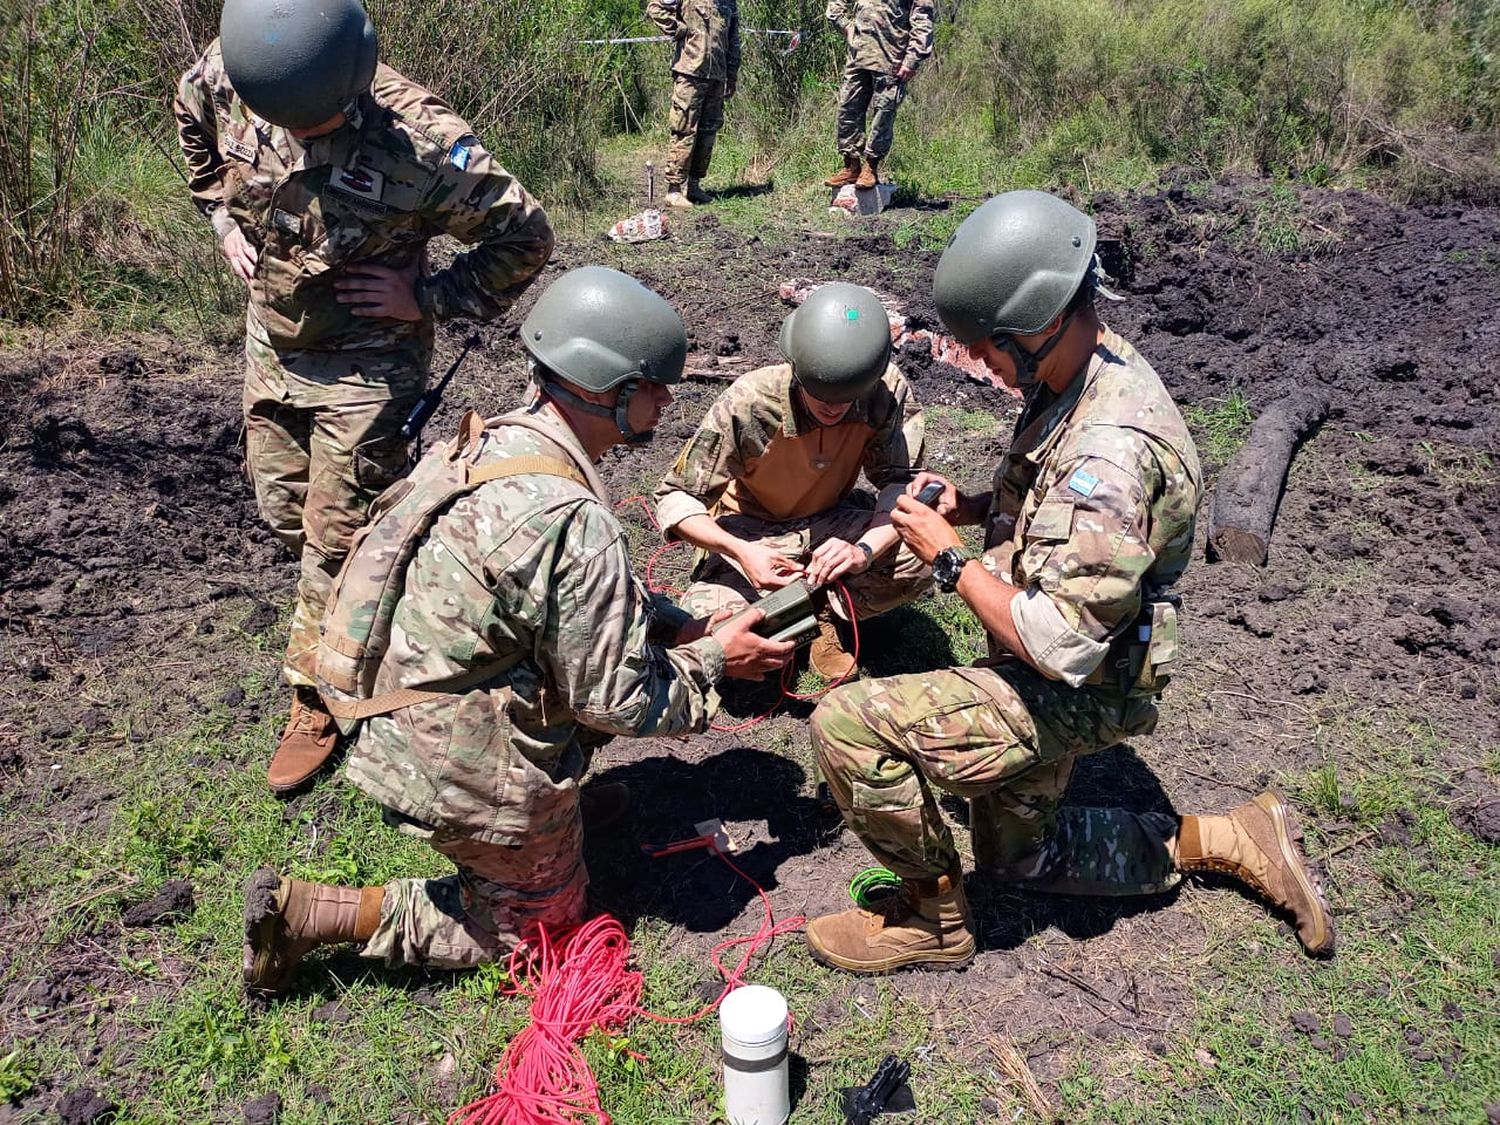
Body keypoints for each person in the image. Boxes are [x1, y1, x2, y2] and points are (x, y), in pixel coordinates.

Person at [804, 191, 1336, 973]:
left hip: (1079, 679)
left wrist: (949, 555)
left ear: (1037, 324)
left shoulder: (1114, 454)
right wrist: (978, 506)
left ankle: (931, 917)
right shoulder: (1083, 366)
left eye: (987, 349)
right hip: (1067, 640)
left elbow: (1060, 647)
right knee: (1021, 857)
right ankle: (1229, 836)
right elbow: (1048, 504)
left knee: (849, 726)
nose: (979, 366)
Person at [242, 267, 793, 993]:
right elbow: (619, 702)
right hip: (442, 758)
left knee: (592, 698)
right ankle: (314, 913)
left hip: (400, 701)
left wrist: (677, 622)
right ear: (607, 389)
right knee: (538, 936)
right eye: (655, 386)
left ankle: (541, 831)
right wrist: (720, 659)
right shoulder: (573, 518)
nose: (665, 402)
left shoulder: (500, 441)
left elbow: (562, 598)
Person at [175, 0, 555, 795]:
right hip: (272, 346)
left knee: (334, 535)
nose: (300, 139)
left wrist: (433, 297)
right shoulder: (244, 67)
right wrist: (219, 220)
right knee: (286, 515)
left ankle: (316, 695)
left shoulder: (421, 143)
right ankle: (391, 600)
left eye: (316, 125)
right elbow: (191, 117)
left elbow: (526, 235)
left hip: (370, 364)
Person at [654, 283, 930, 682]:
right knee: (714, 632)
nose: (833, 408)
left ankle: (824, 612)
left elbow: (901, 483)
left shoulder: (884, 390)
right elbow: (676, 495)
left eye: (847, 396)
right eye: (820, 394)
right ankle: (801, 611)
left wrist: (863, 552)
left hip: (829, 523)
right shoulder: (750, 402)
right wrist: (741, 552)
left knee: (921, 552)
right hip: (748, 534)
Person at [822, 0, 935, 190]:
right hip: (859, 53)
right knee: (847, 107)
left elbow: (923, 20)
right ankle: (851, 166)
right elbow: (836, 4)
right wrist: (845, 25)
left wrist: (912, 59)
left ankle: (871, 167)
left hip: (891, 57)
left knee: (884, 111)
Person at [647, 0, 741, 208]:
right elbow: (655, 9)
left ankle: (695, 185)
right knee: (684, 128)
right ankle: (674, 190)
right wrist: (680, 30)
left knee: (708, 131)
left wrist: (732, 74)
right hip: (690, 71)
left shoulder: (729, 3)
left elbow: (733, 38)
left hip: (717, 74)